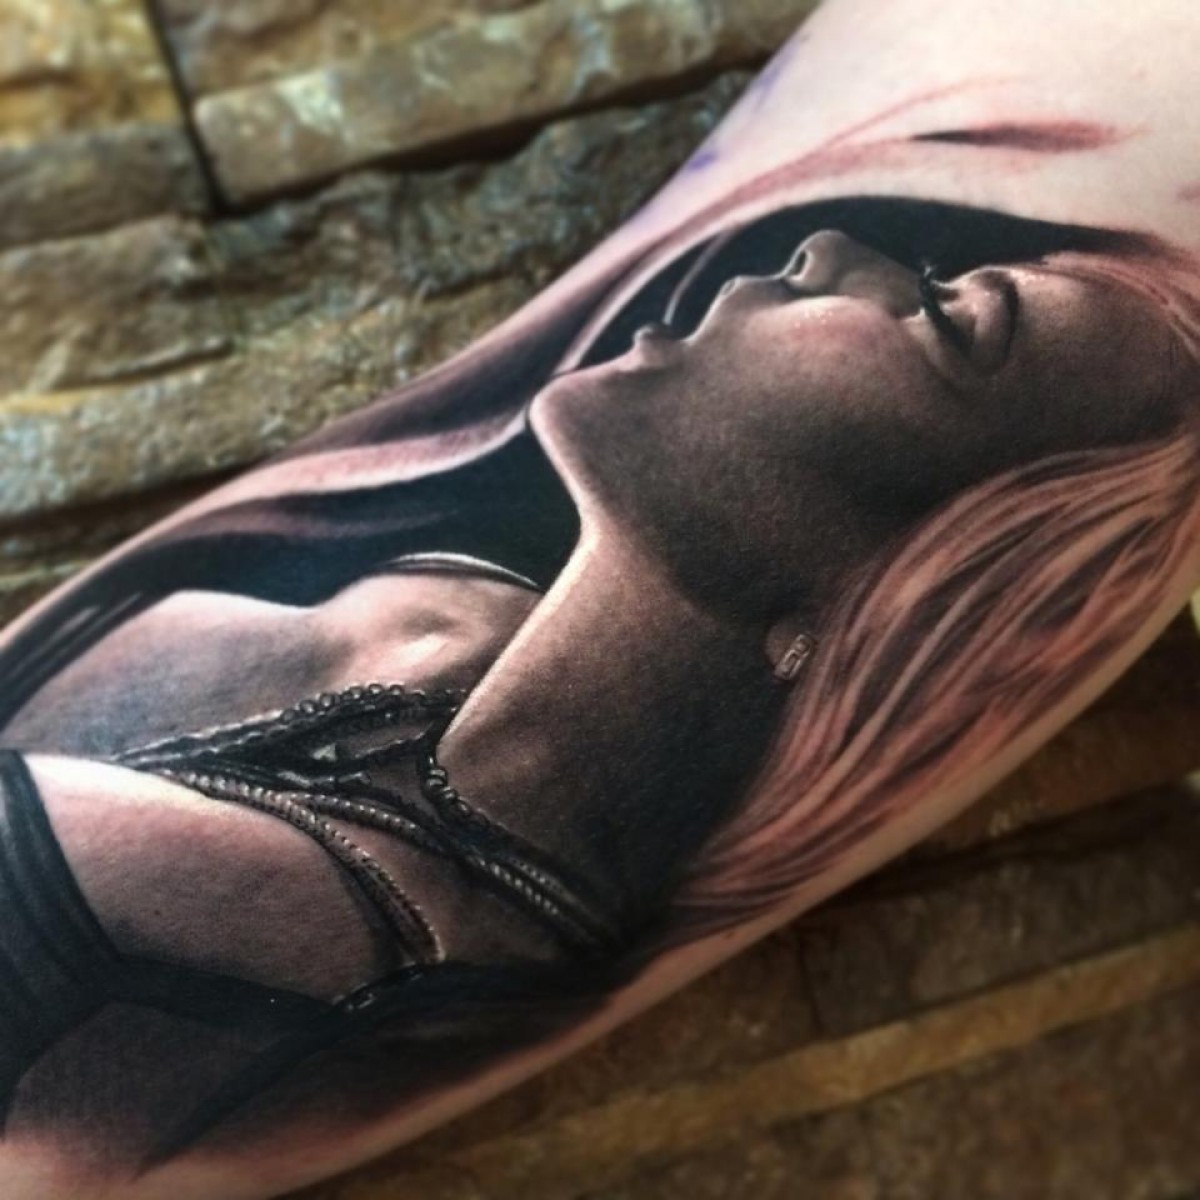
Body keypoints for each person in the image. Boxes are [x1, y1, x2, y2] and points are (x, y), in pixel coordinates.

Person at [3, 0, 1200, 1193]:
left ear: (911, 600)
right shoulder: (422, 634)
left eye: (944, 314)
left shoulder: (357, 920)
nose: (832, 249)